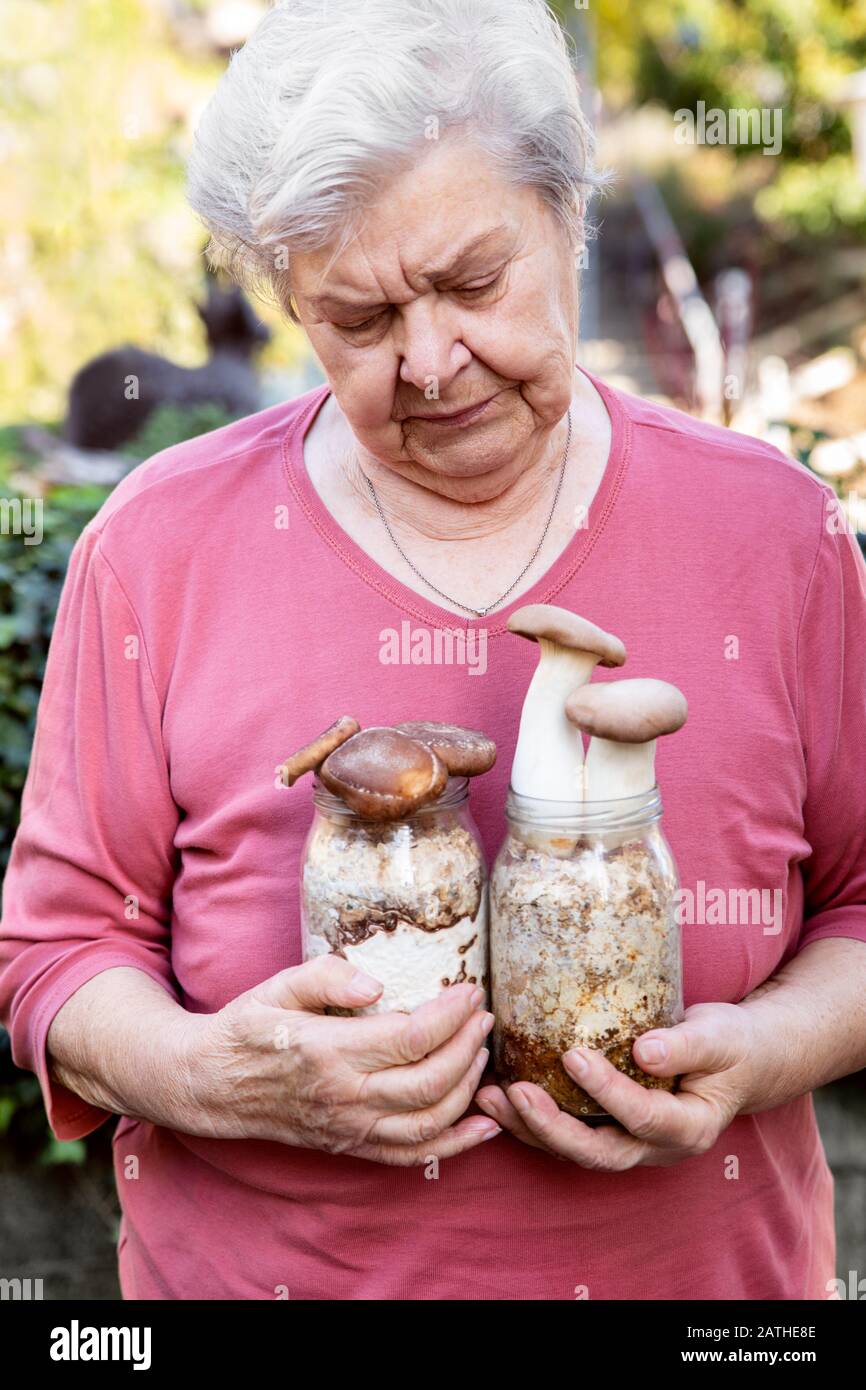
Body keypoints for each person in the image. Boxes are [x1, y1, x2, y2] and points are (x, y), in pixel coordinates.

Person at [2, 0, 865, 1300]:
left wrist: (767, 1047)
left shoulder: (773, 533)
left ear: (568, 214)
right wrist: (206, 1075)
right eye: (353, 317)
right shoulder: (159, 547)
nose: (427, 361)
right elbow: (59, 953)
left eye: (471, 282)